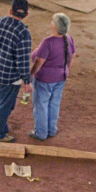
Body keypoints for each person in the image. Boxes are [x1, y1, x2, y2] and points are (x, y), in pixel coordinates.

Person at [0, 0, 32, 142]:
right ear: (26, 14)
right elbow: (22, 60)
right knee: (4, 105)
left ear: (10, 10)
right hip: (9, 78)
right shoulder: (23, 33)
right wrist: (27, 81)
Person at [28, 13, 75, 141]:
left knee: (41, 105)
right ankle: (51, 130)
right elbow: (71, 57)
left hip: (45, 79)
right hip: (61, 76)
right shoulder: (68, 39)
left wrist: (30, 77)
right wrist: (65, 69)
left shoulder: (48, 42)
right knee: (54, 103)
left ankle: (41, 133)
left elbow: (38, 63)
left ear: (53, 26)